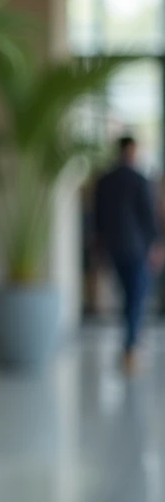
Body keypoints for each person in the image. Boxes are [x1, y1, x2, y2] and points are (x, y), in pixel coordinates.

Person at [93, 135, 163, 374]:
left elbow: (98, 217)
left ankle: (129, 344)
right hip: (136, 248)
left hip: (114, 246)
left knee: (128, 295)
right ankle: (130, 347)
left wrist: (100, 245)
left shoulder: (105, 180)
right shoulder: (139, 180)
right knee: (136, 297)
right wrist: (156, 244)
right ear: (131, 151)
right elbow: (148, 216)